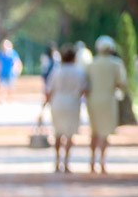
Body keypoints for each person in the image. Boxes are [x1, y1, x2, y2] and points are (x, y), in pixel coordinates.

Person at [85, 35, 128, 173]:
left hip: (93, 100)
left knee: (95, 131)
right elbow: (122, 83)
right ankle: (102, 161)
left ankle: (92, 161)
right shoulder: (116, 64)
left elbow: (86, 83)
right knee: (105, 132)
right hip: (108, 100)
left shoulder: (92, 64)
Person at [46, 45, 87, 173]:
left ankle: (57, 162)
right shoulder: (79, 72)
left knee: (58, 133)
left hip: (57, 103)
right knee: (70, 134)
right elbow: (84, 90)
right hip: (72, 104)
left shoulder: (56, 71)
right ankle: (66, 162)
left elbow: (49, 91)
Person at [0, 39, 23, 103]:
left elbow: (18, 62)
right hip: (2, 72)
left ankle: (10, 99)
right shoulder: (0, 54)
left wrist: (18, 70)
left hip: (11, 73)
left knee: (11, 86)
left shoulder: (13, 53)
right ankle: (0, 99)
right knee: (1, 86)